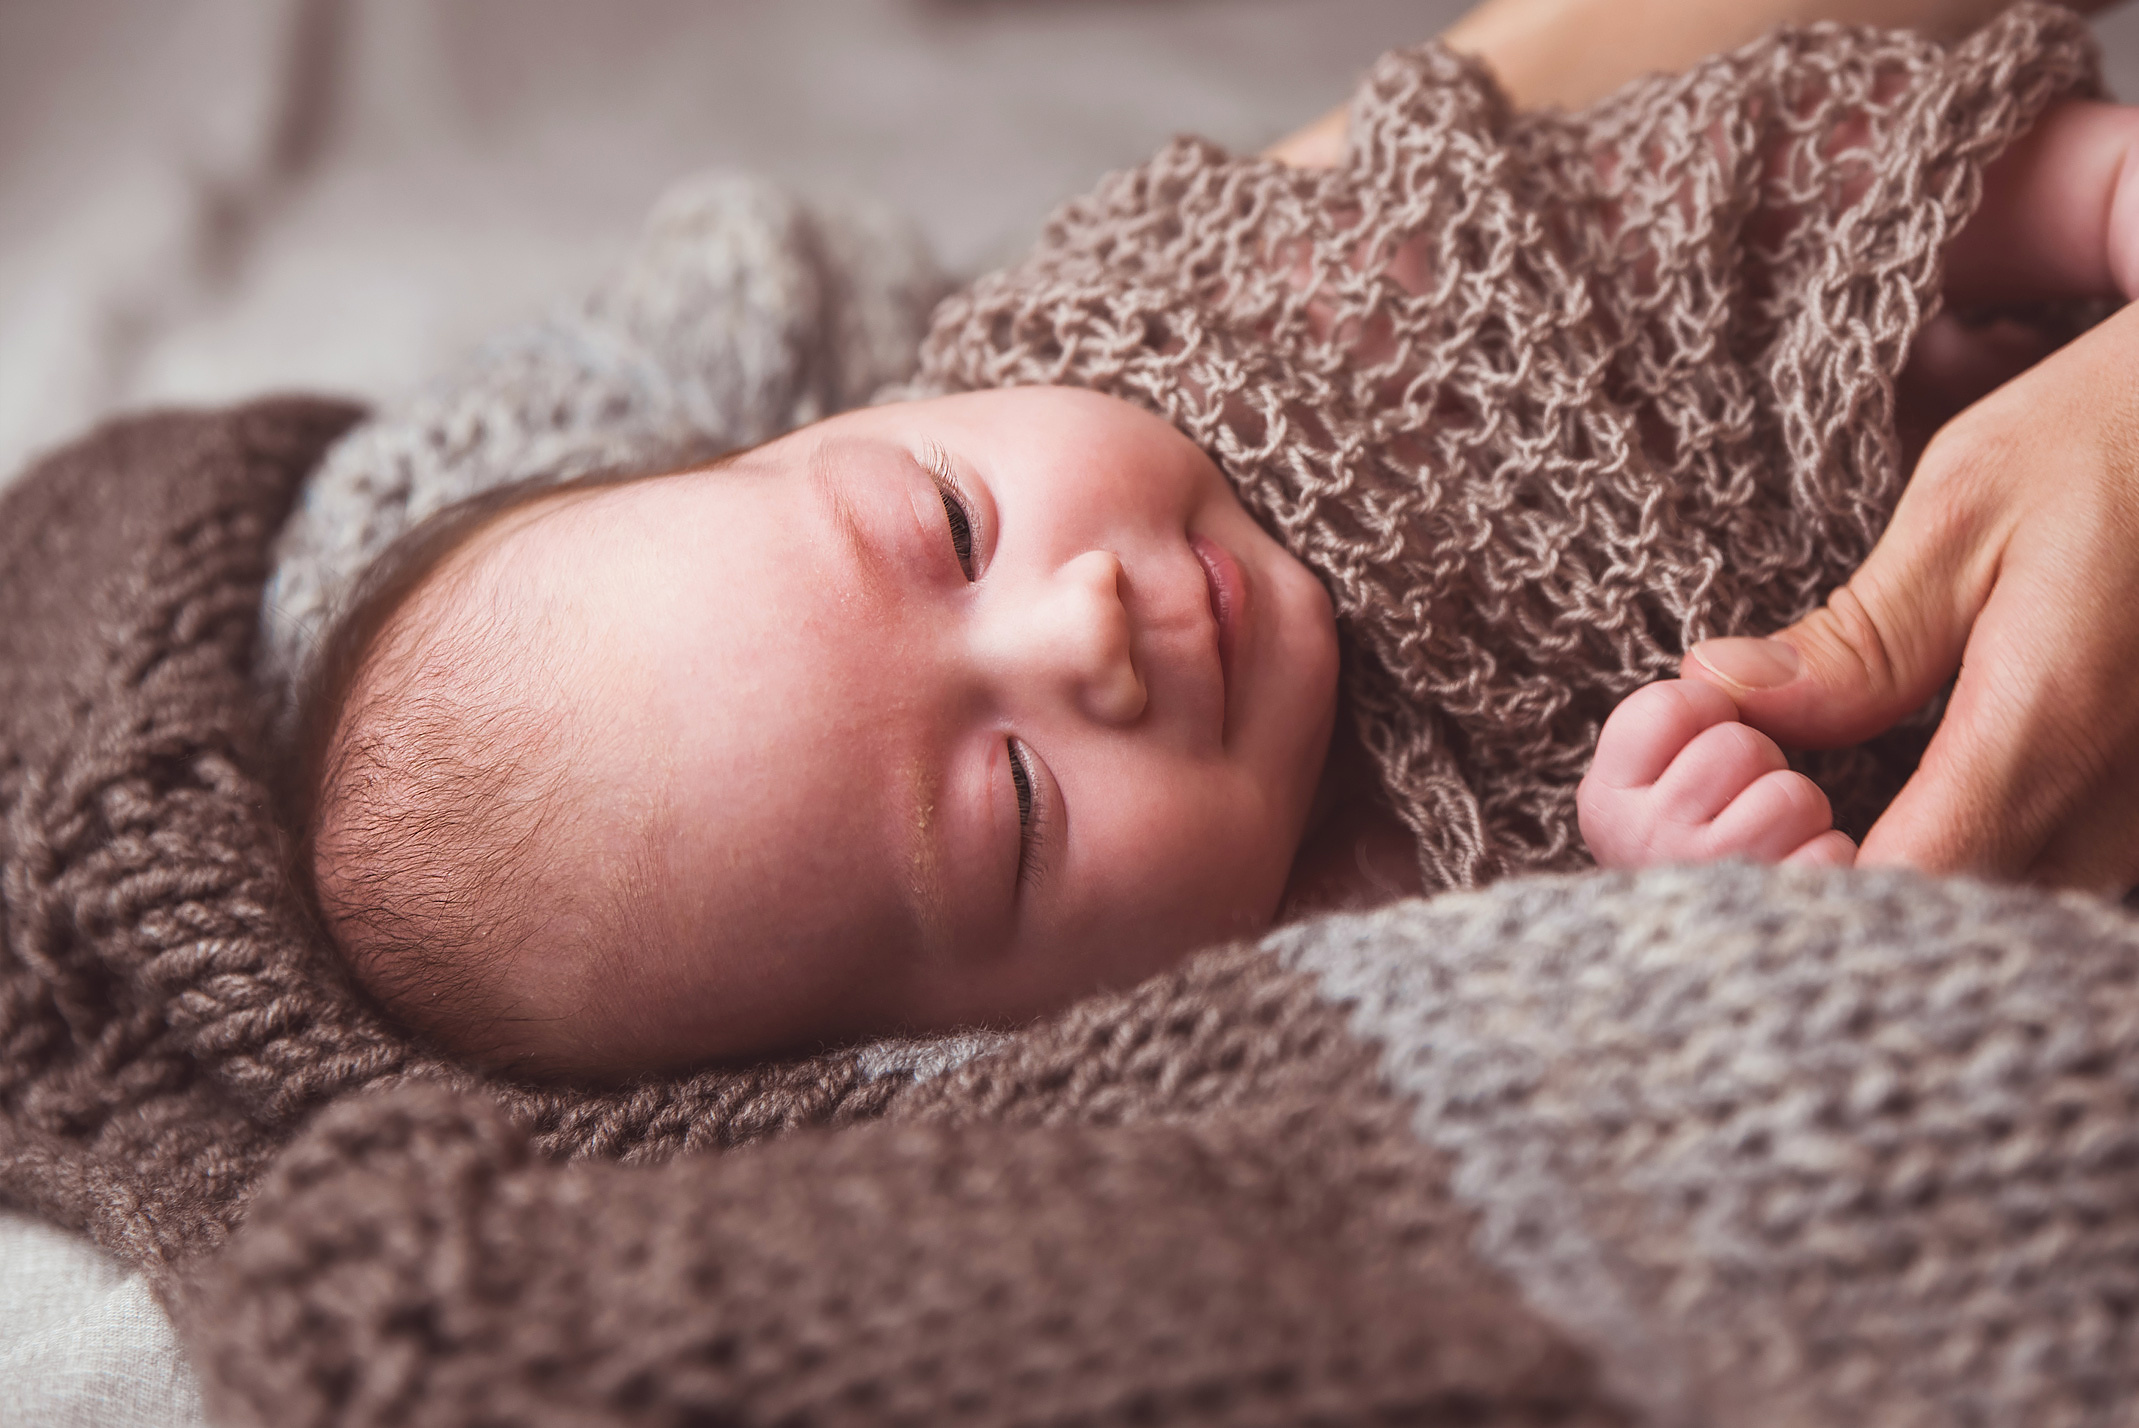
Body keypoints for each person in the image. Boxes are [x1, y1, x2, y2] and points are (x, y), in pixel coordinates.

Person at [297, 5, 2128, 1078]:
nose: (1082, 628)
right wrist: (1696, 881)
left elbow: (1688, 193)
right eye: (1013, 805)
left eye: (950, 525)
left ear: (850, 414)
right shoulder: (1315, 983)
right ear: (998, 1035)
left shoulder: (1210, 309)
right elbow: (1632, 1028)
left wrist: (2073, 204)